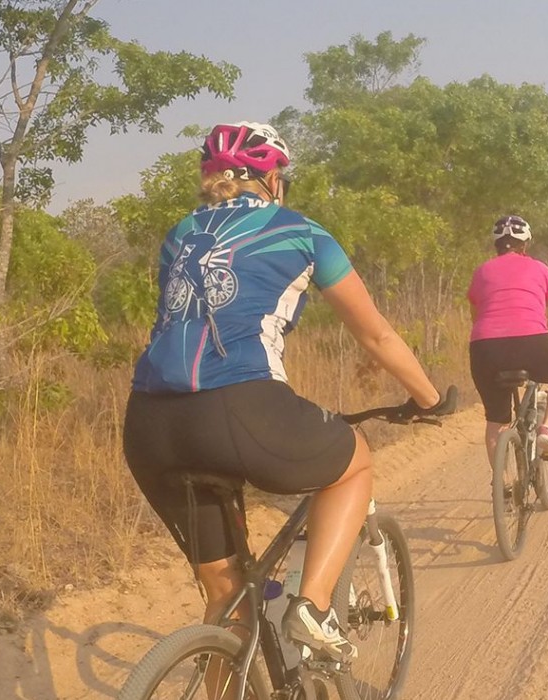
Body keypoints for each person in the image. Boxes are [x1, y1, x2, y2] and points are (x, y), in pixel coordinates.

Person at [123, 121, 448, 661]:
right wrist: (430, 398)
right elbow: (375, 334)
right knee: (355, 462)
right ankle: (313, 608)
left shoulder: (181, 232)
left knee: (227, 599)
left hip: (149, 425)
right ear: (272, 179)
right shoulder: (303, 232)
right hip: (238, 406)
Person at [467, 215, 548, 460]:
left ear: (496, 245)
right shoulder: (539, 268)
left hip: (485, 348)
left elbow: (475, 314)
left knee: (495, 420)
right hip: (531, 341)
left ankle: (503, 486)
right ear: (526, 244)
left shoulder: (481, 272)